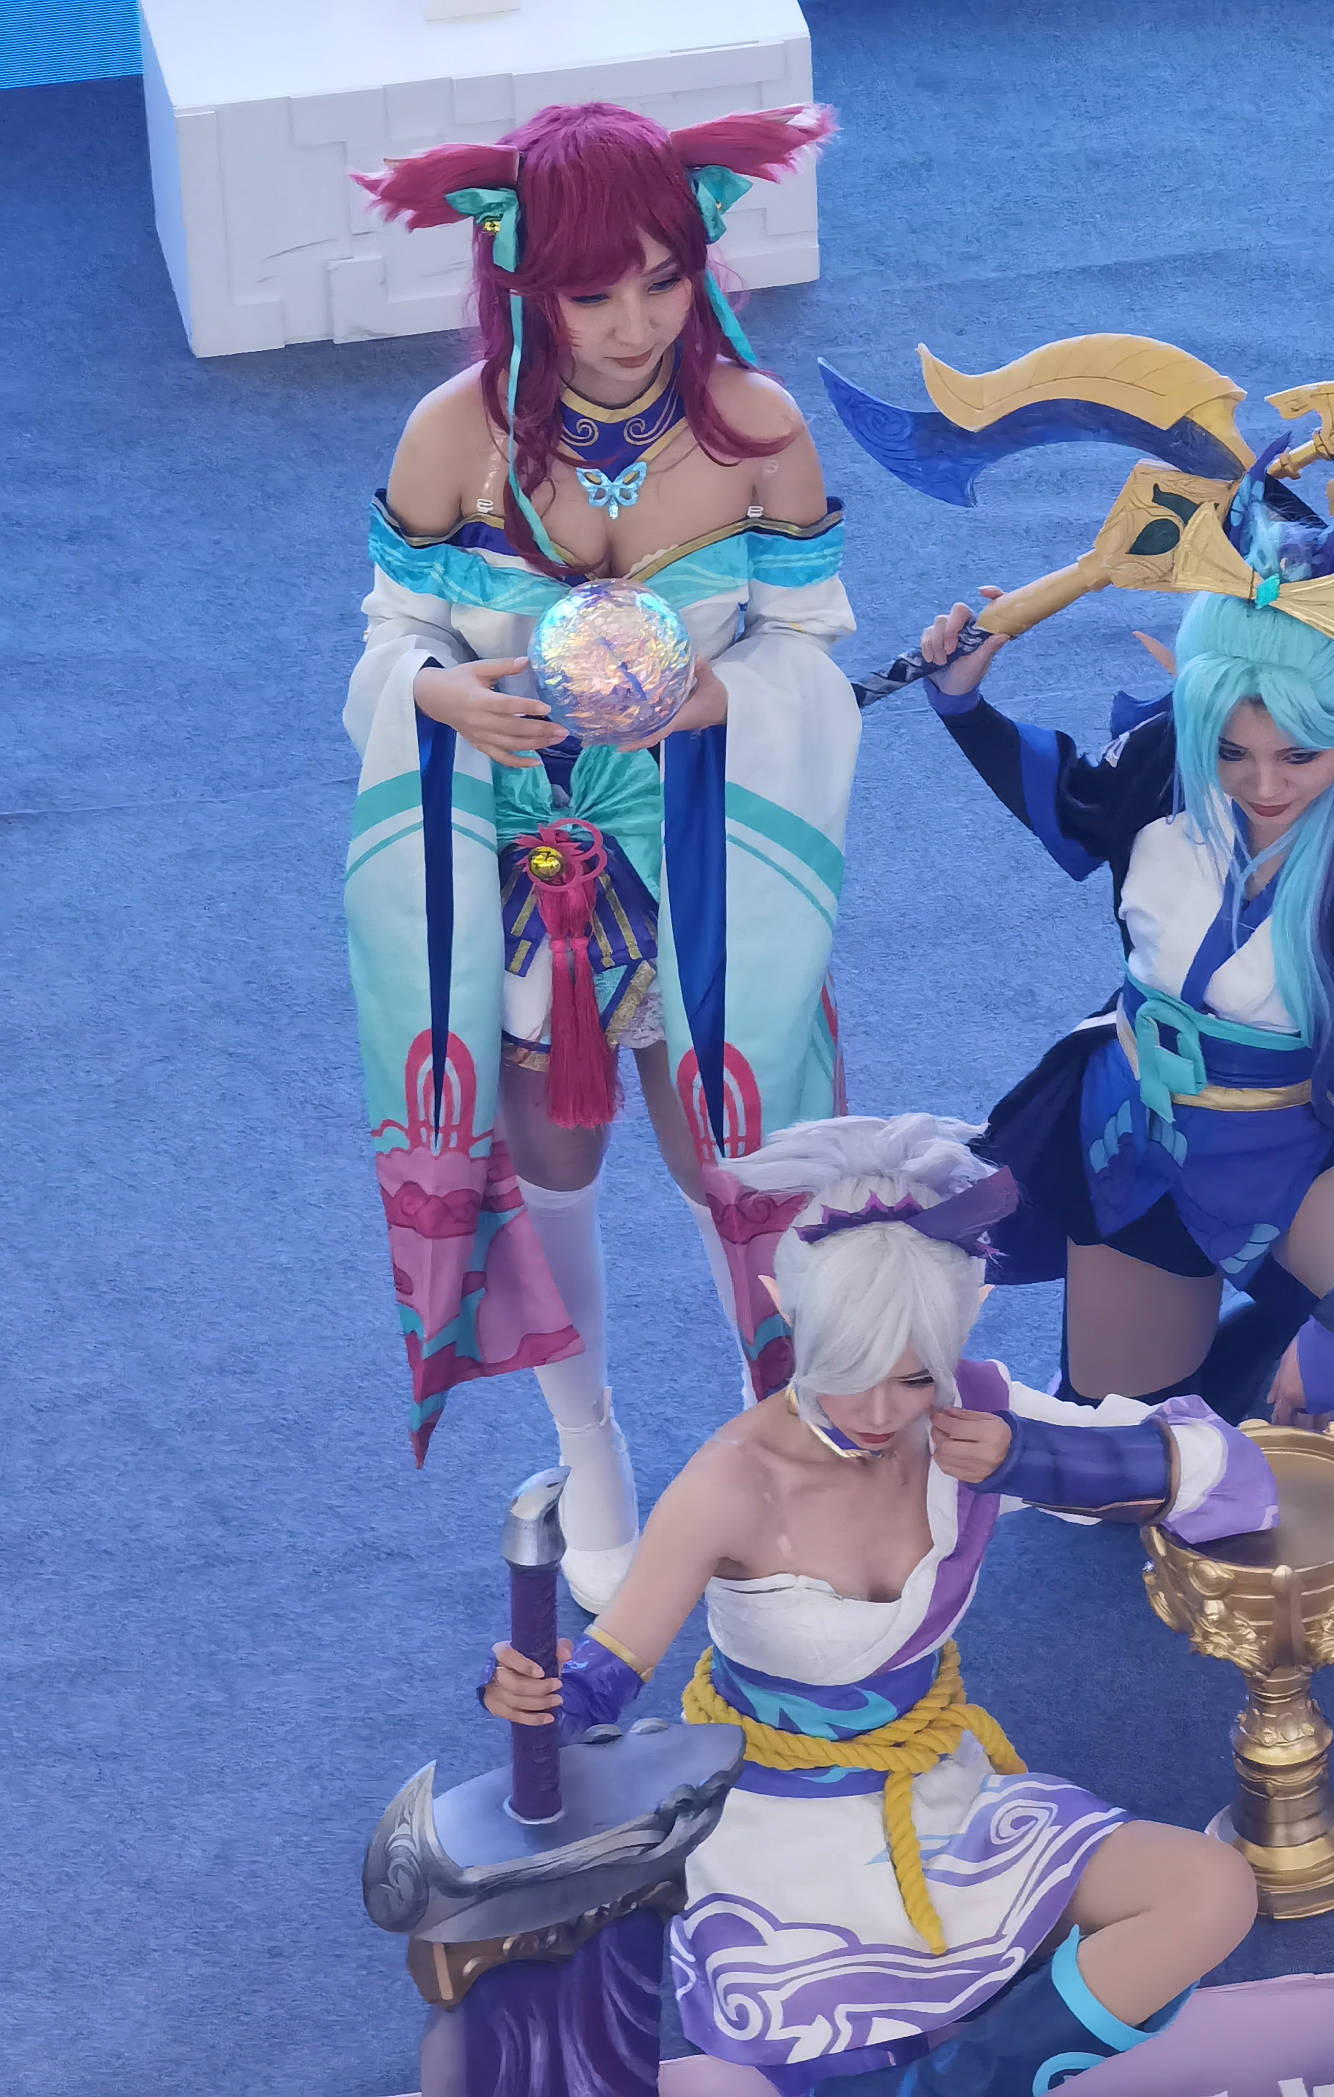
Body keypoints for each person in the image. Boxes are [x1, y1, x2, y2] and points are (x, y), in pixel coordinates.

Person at [912, 436, 1334, 1775]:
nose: (1265, 786)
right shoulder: (1168, 761)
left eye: (1302, 755)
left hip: (1293, 1152)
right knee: (1121, 1477)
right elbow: (1068, 801)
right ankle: (1257, 1321)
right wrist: (965, 703)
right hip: (1136, 1142)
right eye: (1238, 749)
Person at [342, 102, 860, 1610]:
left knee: (729, 1153)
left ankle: (775, 1427)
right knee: (552, 1156)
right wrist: (433, 694)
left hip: (701, 858)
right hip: (521, 873)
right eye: (590, 292)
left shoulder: (758, 428)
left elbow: (812, 644)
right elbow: (393, 633)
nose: (635, 325)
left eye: (664, 278)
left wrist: (724, 698)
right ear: (519, 280)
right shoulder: (449, 436)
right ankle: (591, 1442)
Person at [483, 1114, 1267, 2093]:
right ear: (787, 1315)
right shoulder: (732, 1480)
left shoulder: (972, 1413)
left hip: (945, 1799)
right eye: (848, 1372)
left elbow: (1236, 1479)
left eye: (912, 1375)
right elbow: (603, 1676)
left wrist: (1035, 1456)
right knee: (853, 2054)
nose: (882, 1413)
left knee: (1211, 1889)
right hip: (781, 1851)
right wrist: (538, 1697)